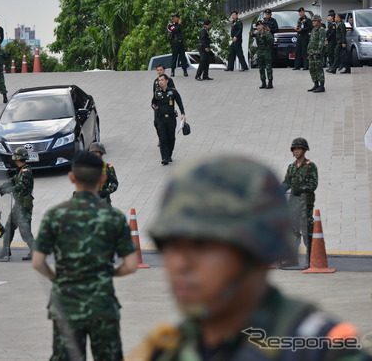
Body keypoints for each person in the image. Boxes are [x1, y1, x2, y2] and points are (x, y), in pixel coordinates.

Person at [127, 156, 369, 361]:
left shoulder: (318, 350)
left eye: (201, 246)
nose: (179, 264)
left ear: (257, 251)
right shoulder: (167, 350)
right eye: (170, 246)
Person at [32, 150, 138, 361]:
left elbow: (38, 262)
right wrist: (107, 273)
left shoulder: (55, 215)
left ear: (72, 178)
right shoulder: (113, 216)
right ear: (103, 178)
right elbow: (131, 265)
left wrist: (57, 277)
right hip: (102, 305)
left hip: (66, 305)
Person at [280, 138, 318, 270]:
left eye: (299, 149)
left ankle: (310, 260)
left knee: (307, 232)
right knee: (293, 233)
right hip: (293, 205)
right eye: (294, 149)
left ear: (304, 150)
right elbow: (287, 182)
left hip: (305, 205)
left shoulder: (310, 166)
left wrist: (303, 190)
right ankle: (293, 259)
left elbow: (313, 184)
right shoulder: (291, 167)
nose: (296, 151)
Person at [0, 147, 35, 261]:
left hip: (24, 205)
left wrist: (6, 191)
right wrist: (1, 188)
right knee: (9, 226)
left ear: (18, 158)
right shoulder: (21, 170)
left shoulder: (26, 171)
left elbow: (20, 186)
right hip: (18, 204)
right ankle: (5, 249)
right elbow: (12, 180)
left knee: (24, 230)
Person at [152, 74, 185, 165]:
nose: (160, 82)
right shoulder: (157, 92)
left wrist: (182, 113)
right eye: (159, 80)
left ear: (167, 81)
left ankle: (169, 154)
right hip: (160, 118)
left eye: (162, 80)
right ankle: (164, 157)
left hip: (171, 118)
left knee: (171, 138)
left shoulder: (173, 92)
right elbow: (153, 102)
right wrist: (154, 106)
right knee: (163, 138)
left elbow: (179, 102)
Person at [307, 15, 327, 93]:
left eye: (315, 21)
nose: (313, 22)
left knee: (319, 69)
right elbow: (311, 41)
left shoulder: (321, 30)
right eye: (313, 21)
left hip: (317, 53)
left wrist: (319, 52)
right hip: (311, 52)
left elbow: (321, 42)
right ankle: (316, 84)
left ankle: (321, 86)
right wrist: (309, 52)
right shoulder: (314, 29)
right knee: (312, 69)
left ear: (319, 21)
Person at [253, 20, 274, 89]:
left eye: (260, 25)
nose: (258, 27)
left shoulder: (267, 33)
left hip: (267, 51)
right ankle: (263, 82)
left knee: (268, 67)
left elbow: (271, 42)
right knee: (261, 67)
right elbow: (258, 43)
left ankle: (270, 82)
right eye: (257, 26)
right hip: (260, 52)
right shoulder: (257, 34)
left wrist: (266, 39)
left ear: (263, 26)